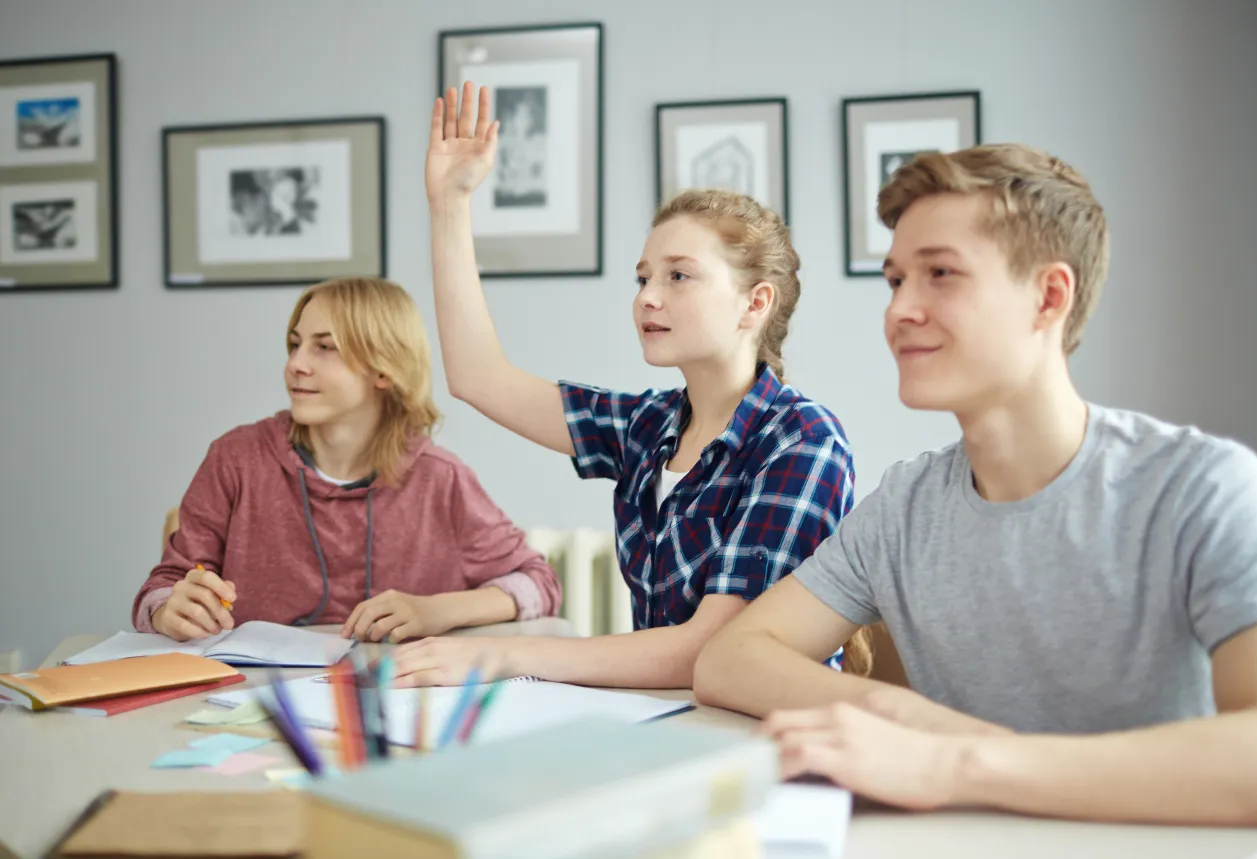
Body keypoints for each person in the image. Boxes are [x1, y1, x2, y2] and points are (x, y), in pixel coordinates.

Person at [693, 143, 1257, 826]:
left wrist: (953, 761)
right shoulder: (905, 507)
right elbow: (730, 658)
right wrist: (902, 715)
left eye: (941, 273)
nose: (900, 309)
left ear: (1049, 296)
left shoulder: (1205, 488)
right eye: (895, 280)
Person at [393, 82, 857, 690]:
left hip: (760, 741)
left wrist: (501, 655)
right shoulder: (650, 426)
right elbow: (479, 379)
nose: (648, 298)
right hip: (661, 720)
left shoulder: (803, 442)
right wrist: (451, 204)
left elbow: (710, 652)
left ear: (755, 303)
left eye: (679, 276)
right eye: (642, 278)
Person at [133, 276, 562, 643]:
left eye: (324, 348)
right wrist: (167, 610)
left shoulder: (440, 479)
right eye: (295, 344)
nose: (295, 365)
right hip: (253, 705)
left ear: (383, 370)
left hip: (393, 708)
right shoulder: (236, 460)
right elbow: (160, 590)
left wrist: (436, 612)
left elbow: (539, 585)